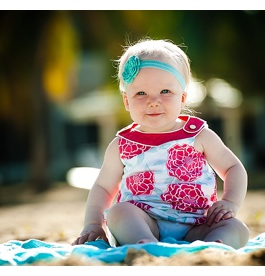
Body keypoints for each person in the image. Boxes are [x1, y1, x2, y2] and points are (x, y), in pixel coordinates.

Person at [72, 38, 250, 249]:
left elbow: (233, 167)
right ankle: (145, 244)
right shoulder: (122, 145)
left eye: (165, 92)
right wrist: (93, 224)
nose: (153, 101)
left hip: (197, 224)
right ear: (127, 101)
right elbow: (102, 187)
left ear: (183, 98)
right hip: (145, 222)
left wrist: (229, 202)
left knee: (237, 228)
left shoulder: (199, 135)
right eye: (141, 93)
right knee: (119, 212)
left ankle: (212, 247)